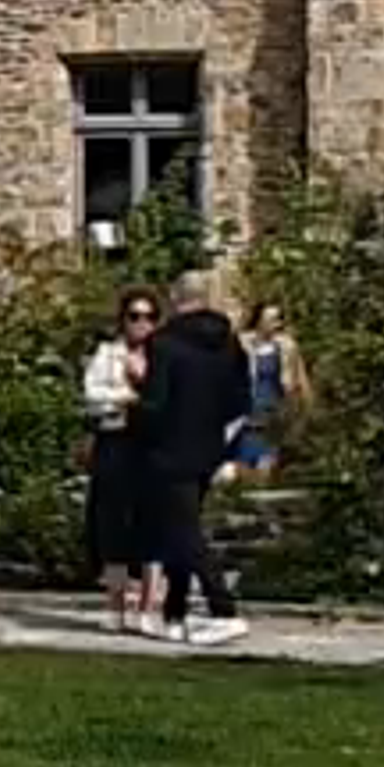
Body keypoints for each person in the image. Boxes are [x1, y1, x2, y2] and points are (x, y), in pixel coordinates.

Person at [129, 264, 257, 638]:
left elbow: (156, 403)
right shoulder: (228, 342)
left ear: (175, 299)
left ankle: (224, 609)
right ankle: (175, 612)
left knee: (184, 531)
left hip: (170, 449)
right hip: (208, 446)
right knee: (178, 527)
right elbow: (239, 398)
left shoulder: (164, 343)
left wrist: (133, 409)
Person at [80, 282, 159, 623]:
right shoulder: (107, 353)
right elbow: (92, 394)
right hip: (114, 439)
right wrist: (124, 396)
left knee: (152, 523)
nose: (141, 323)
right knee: (112, 522)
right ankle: (116, 605)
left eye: (148, 317)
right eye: (134, 316)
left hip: (149, 445)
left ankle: (147, 605)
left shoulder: (163, 356)